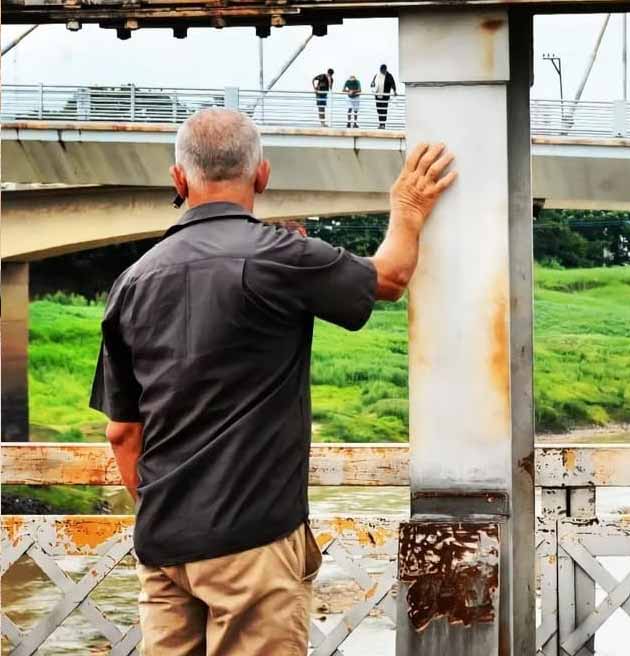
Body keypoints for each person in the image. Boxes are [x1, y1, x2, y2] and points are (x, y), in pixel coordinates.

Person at [90, 107, 456, 655]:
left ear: (178, 178)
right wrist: (407, 208)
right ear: (262, 174)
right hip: (251, 541)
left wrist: (162, 513)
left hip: (163, 546)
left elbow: (122, 434)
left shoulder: (133, 282)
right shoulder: (278, 255)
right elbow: (390, 277)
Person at [370, 64, 397, 129]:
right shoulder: (377, 75)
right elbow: (372, 84)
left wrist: (394, 91)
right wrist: (372, 84)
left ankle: (383, 124)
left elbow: (393, 83)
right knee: (379, 110)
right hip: (377, 96)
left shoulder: (389, 76)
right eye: (381, 70)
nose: (382, 71)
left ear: (385, 69)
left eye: (383, 70)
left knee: (384, 110)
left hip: (385, 96)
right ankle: (380, 123)